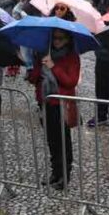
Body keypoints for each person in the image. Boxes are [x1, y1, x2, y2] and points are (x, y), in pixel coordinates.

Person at [28, 29, 81, 190]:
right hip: (45, 102)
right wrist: (37, 65)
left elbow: (71, 81)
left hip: (61, 104)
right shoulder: (44, 53)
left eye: (60, 38)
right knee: (51, 139)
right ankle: (55, 171)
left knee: (63, 140)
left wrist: (54, 67)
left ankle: (65, 174)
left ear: (67, 40)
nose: (57, 41)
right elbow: (33, 79)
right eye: (54, 38)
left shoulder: (72, 57)